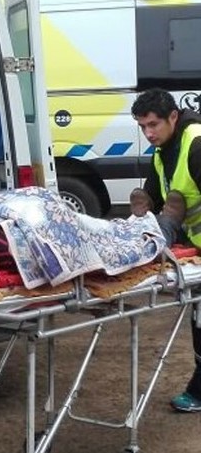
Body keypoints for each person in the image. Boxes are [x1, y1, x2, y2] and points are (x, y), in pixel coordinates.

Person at [130, 88, 201, 413]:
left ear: (174, 116)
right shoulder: (162, 153)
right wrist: (145, 209)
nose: (148, 133)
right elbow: (154, 195)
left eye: (154, 124)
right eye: (142, 126)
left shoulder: (197, 144)